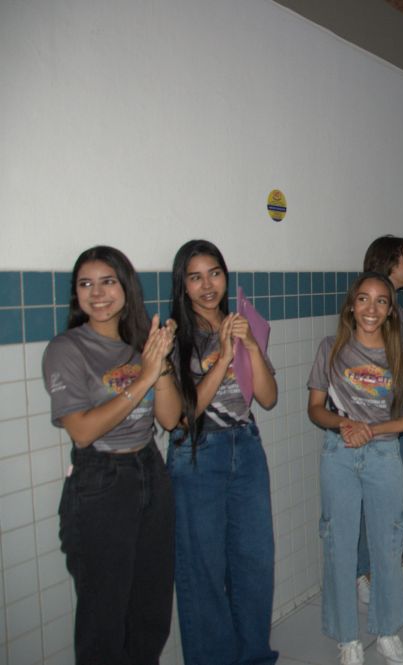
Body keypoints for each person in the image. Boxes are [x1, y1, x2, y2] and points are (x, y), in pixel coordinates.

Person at [43, 245, 181, 664]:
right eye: (86, 284)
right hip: (101, 481)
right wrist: (144, 377)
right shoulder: (66, 349)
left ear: (126, 288)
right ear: (76, 294)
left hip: (150, 471)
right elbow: (83, 431)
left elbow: (170, 418)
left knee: (151, 609)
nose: (97, 293)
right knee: (104, 617)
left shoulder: (141, 345)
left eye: (108, 282)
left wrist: (160, 364)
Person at [307, 272, 403, 665]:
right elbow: (315, 409)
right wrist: (345, 424)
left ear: (391, 311)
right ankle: (347, 637)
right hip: (340, 454)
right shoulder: (330, 349)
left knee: (388, 544)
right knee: (339, 545)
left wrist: (373, 430)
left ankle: (387, 631)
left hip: (383, 455)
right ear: (351, 304)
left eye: (381, 301)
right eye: (364, 299)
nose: (371, 308)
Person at [167, 239, 279, 665]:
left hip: (245, 447)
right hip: (198, 454)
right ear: (183, 285)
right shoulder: (176, 337)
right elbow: (182, 415)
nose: (207, 285)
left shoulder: (241, 323)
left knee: (254, 564)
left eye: (214, 273)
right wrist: (223, 358)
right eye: (195, 277)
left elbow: (268, 397)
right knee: (204, 572)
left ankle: (254, 657)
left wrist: (249, 346)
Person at [357, 235, 403, 599]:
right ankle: (363, 573)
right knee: (369, 499)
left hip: (395, 416)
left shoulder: (393, 306)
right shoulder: (369, 306)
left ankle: (390, 560)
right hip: (374, 421)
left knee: (391, 495)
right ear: (390, 263)